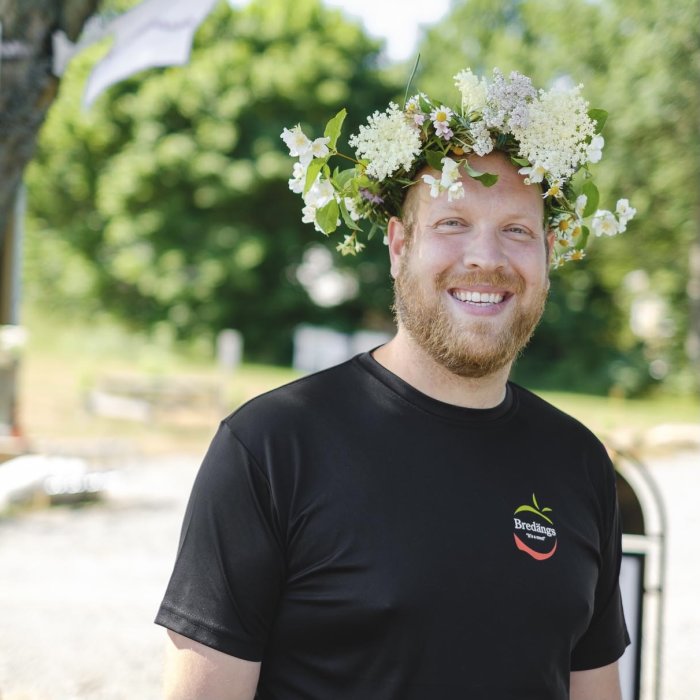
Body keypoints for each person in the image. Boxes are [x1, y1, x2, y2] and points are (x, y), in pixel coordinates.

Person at [156, 67, 634, 700]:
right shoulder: (272, 448)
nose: (486, 259)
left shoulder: (580, 463)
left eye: (516, 231)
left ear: (548, 254)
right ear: (397, 245)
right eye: (453, 223)